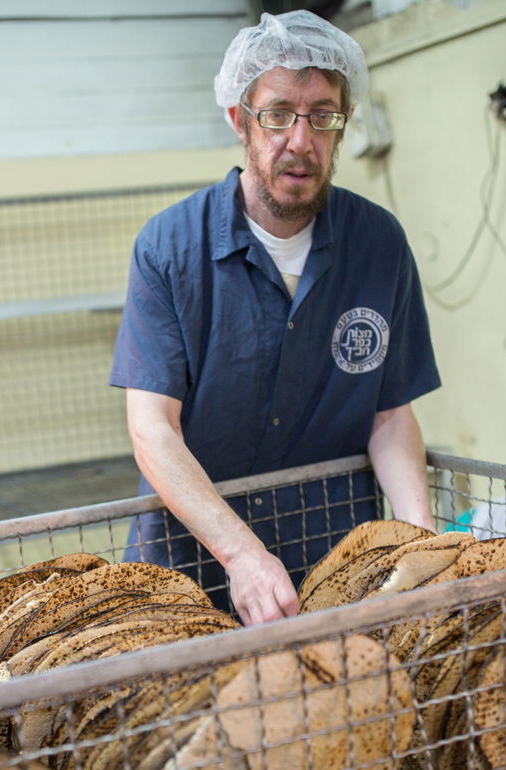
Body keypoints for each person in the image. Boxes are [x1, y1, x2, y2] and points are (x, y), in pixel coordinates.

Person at [109, 10, 440, 627]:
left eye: (322, 115)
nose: (301, 139)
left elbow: (390, 413)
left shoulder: (378, 243)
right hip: (193, 570)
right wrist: (241, 555)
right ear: (240, 120)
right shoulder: (170, 249)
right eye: (279, 113)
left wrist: (420, 542)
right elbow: (152, 427)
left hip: (335, 562)